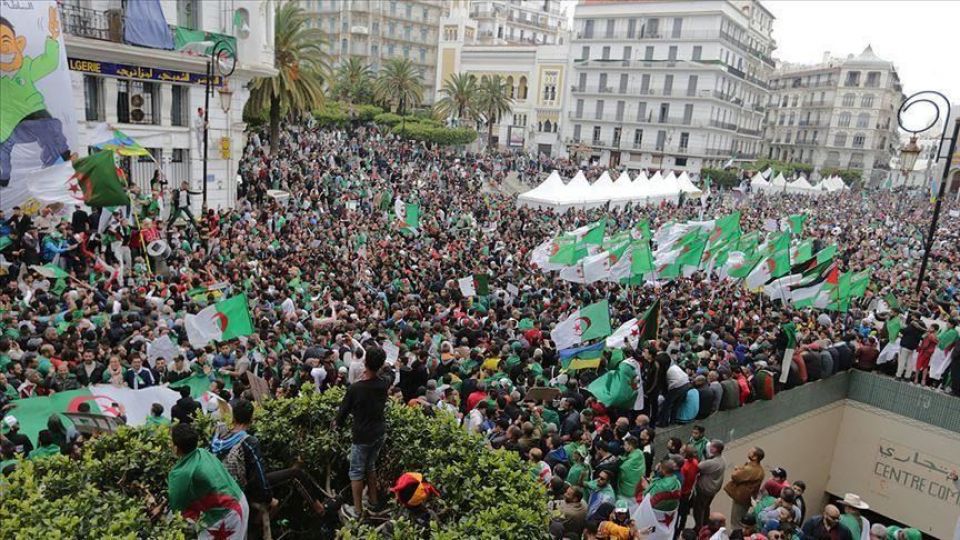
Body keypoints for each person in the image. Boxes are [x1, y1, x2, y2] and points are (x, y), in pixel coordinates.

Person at [333, 346, 392, 518]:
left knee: (356, 472)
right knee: (370, 466)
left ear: (365, 362)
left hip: (362, 435)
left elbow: (342, 414)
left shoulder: (356, 388)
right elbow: (389, 373)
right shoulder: (384, 383)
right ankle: (373, 501)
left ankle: (357, 511)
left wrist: (336, 425)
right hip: (379, 432)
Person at [167, 423, 249, 539]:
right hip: (238, 500)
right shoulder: (202, 452)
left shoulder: (181, 473)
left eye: (171, 442)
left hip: (228, 514)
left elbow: (177, 508)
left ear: (177, 448)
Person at [723, 447, 765, 530]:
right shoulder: (758, 469)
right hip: (746, 498)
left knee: (736, 521)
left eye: (751, 452)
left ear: (755, 457)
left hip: (741, 498)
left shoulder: (750, 469)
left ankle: (736, 533)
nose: (748, 452)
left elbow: (735, 476)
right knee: (740, 518)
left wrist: (738, 471)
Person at [692, 440, 725, 531]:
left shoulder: (711, 463)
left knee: (698, 509)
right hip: (713, 489)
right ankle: (706, 523)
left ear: (715, 449)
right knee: (706, 506)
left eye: (712, 446)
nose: (709, 447)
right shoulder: (722, 460)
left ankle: (699, 527)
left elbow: (698, 467)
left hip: (704, 489)